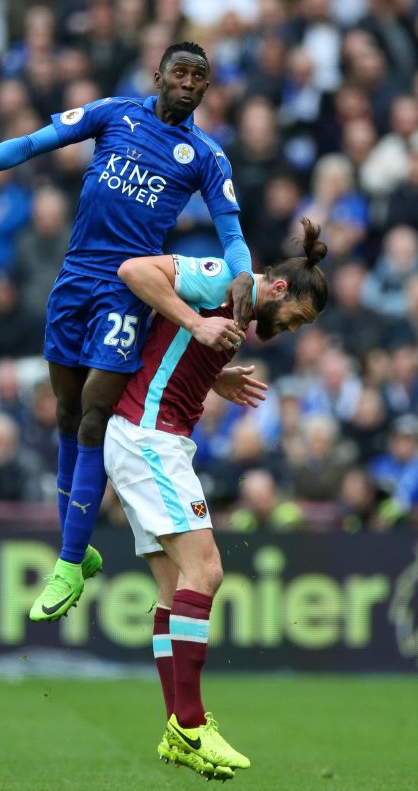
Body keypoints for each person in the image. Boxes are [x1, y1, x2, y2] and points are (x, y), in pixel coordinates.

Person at [0, 41, 254, 610]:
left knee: (95, 416)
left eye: (200, 77)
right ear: (158, 74)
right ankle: (74, 547)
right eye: (180, 71)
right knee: (68, 412)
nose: (189, 83)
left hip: (127, 288)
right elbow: (34, 143)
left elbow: (231, 232)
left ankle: (70, 563)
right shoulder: (113, 113)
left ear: (206, 88)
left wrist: (243, 273)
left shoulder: (205, 155)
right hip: (74, 277)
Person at [103, 218, 328, 779]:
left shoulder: (239, 310)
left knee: (171, 585)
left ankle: (178, 728)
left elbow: (177, 345)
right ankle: (191, 723)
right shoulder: (222, 277)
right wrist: (196, 330)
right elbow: (134, 271)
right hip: (149, 436)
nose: (292, 330)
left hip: (148, 436)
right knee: (205, 572)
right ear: (278, 289)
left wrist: (213, 374)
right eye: (296, 319)